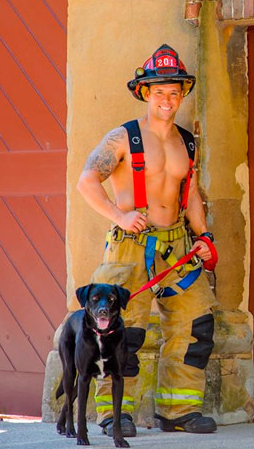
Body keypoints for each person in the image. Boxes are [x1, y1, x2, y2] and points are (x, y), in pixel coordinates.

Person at [76, 44, 218, 436]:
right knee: (121, 330)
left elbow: (189, 195)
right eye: (159, 92)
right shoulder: (122, 138)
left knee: (196, 324)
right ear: (144, 93)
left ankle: (178, 411)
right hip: (130, 247)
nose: (167, 100)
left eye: (174, 92)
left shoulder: (186, 143)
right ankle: (113, 413)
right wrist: (120, 216)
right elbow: (86, 182)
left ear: (181, 94)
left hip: (177, 247)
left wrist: (203, 236)